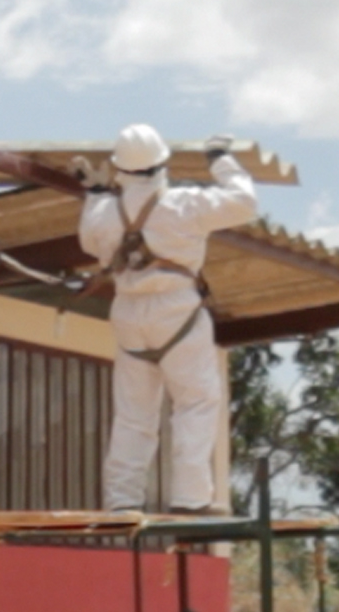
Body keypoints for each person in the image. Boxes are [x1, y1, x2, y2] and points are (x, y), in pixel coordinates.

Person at [75, 124, 257, 512]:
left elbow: (89, 240)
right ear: (162, 163)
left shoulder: (105, 213)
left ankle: (122, 503)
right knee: (195, 403)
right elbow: (244, 203)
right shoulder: (184, 203)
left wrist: (93, 195)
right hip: (177, 311)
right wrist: (220, 160)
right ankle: (191, 500)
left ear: (119, 170)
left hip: (128, 314)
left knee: (133, 416)